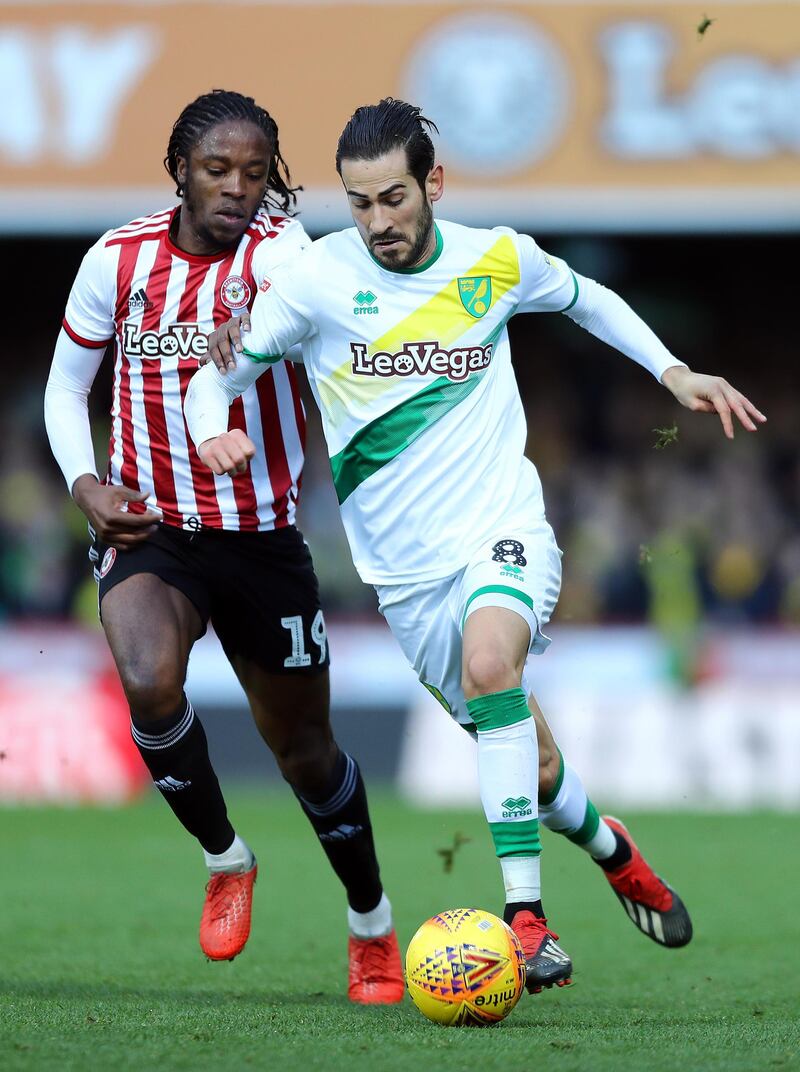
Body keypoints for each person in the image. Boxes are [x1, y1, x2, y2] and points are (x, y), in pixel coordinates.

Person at [186, 98, 765, 993]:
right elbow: (212, 377)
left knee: (494, 663)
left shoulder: (497, 257)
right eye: (359, 203)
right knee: (527, 761)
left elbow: (588, 297)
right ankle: (614, 852)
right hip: (407, 581)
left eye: (393, 198)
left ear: (434, 184)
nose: (377, 221)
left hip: (502, 528)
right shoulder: (316, 283)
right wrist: (212, 426)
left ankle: (525, 921)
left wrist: (673, 370)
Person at [43, 90, 404, 1004]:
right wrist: (86, 485)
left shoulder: (283, 252)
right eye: (217, 170)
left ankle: (370, 923)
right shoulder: (116, 259)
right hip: (148, 528)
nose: (237, 188)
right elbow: (64, 388)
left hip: (262, 539)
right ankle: (226, 856)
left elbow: (295, 298)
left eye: (254, 172)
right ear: (180, 171)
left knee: (307, 753)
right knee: (149, 682)